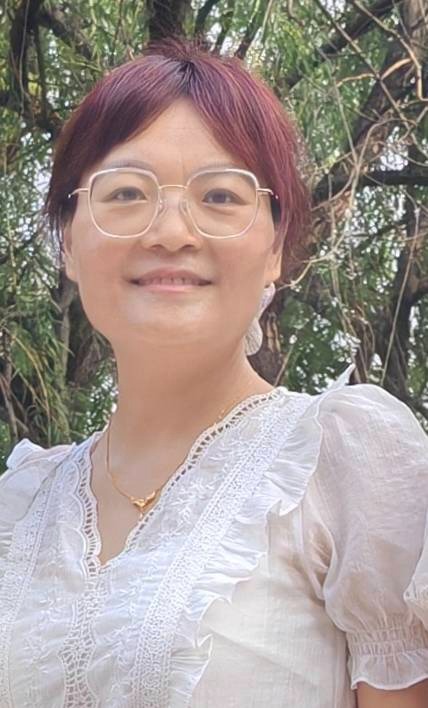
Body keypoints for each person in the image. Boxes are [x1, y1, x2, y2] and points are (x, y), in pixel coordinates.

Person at [0, 38, 427, 708]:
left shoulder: (343, 463)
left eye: (221, 195)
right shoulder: (20, 506)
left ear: (275, 248)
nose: (171, 232)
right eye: (126, 192)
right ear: (68, 243)